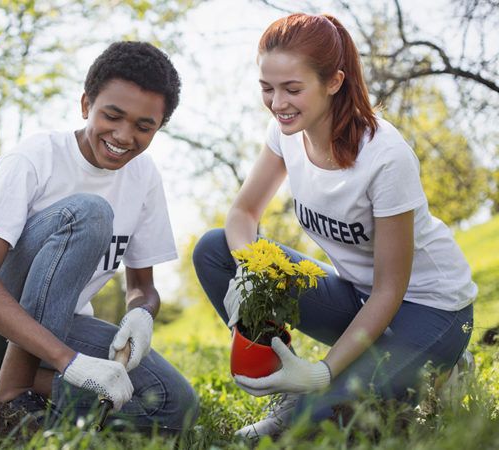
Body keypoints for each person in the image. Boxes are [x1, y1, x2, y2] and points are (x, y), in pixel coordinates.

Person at [192, 13, 476, 438]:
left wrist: (324, 373)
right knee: (217, 250)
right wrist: (250, 269)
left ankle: (439, 365)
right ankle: (287, 379)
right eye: (267, 89)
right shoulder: (285, 131)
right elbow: (243, 215)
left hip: (432, 307)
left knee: (324, 426)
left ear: (334, 82)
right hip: (358, 299)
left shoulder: (385, 157)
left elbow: (390, 289)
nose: (277, 103)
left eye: (292, 89)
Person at [0, 41, 199, 430]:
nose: (123, 136)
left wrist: (142, 313)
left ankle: (23, 388)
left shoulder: (144, 177)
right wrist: (70, 361)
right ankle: (11, 398)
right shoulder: (35, 159)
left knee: (174, 406)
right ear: (86, 105)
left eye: (143, 126)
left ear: (158, 127)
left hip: (57, 319)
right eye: (113, 115)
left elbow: (142, 285)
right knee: (88, 213)